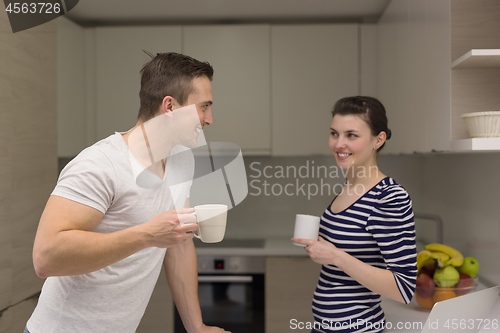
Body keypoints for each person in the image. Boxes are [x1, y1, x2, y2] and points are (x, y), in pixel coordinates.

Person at [26, 53, 229, 333]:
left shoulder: (183, 159)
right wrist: (147, 235)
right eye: (203, 107)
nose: (209, 119)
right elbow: (46, 258)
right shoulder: (101, 164)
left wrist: (197, 328)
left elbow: (179, 244)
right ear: (169, 106)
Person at [292, 96, 417, 333]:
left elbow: (403, 288)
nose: (339, 144)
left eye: (351, 135)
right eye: (334, 133)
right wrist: (318, 245)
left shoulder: (389, 197)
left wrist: (336, 256)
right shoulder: (350, 187)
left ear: (378, 139)